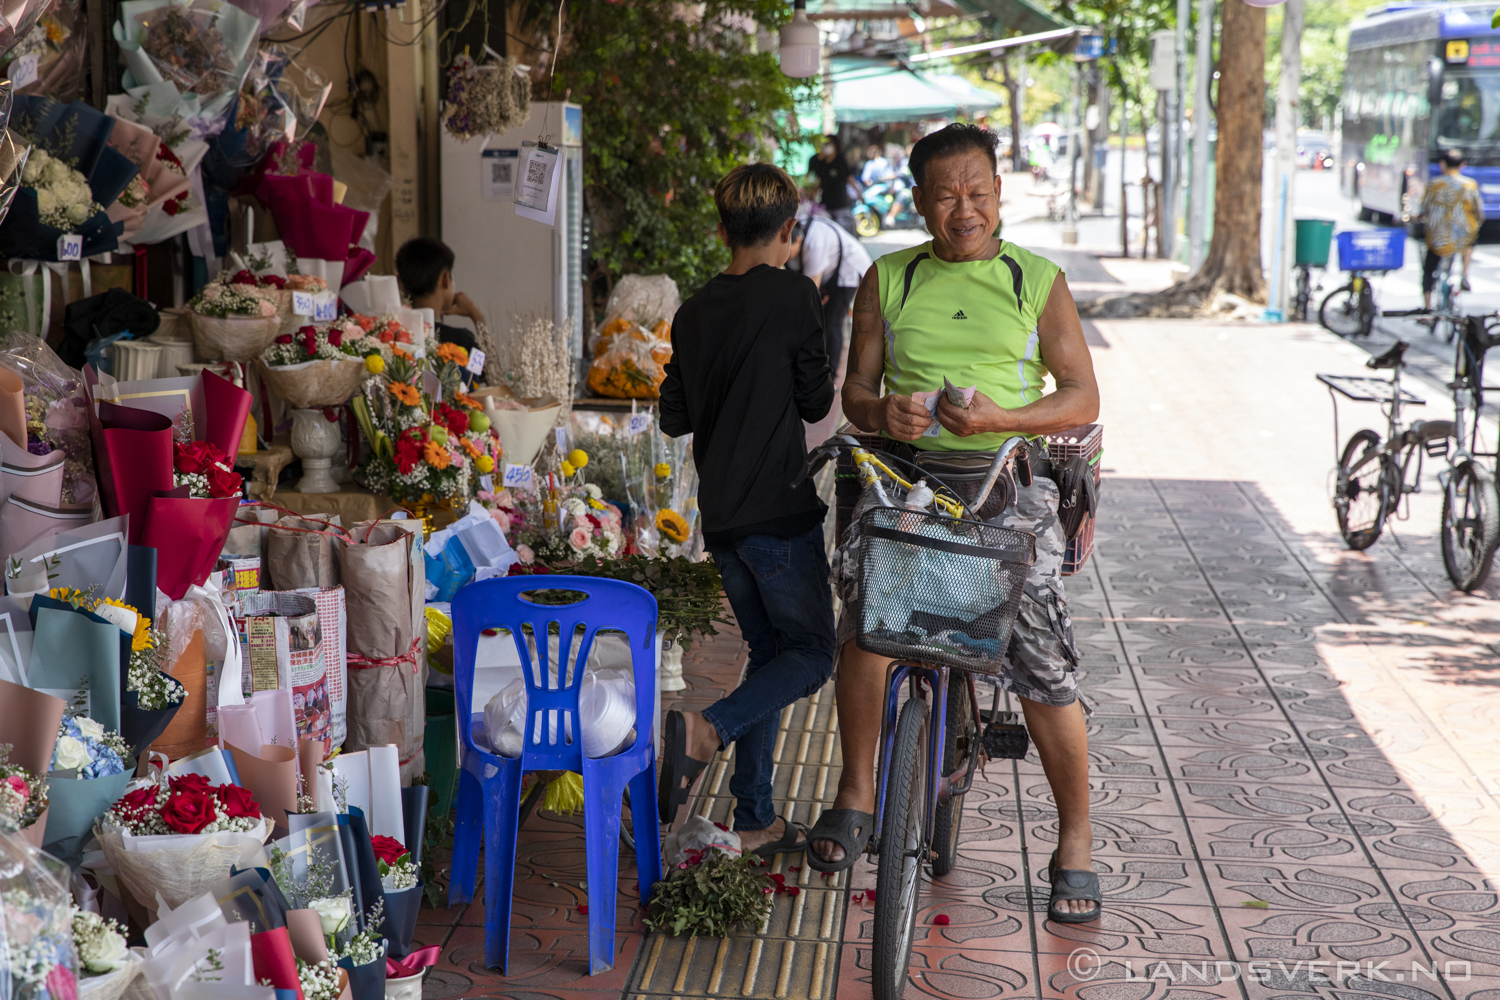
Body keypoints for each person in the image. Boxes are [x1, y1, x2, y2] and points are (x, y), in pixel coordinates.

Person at [805, 124, 1103, 924]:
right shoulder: (887, 280)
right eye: (945, 195)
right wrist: (885, 412)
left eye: (977, 192)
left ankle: (1074, 840)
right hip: (908, 476)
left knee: (1039, 661)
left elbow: (1081, 396)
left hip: (1006, 480)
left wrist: (1004, 416)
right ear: (919, 203)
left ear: (1000, 193)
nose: (963, 209)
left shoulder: (1036, 280)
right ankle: (856, 789)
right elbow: (855, 392)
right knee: (868, 625)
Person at [657, 163, 837, 856]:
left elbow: (675, 416)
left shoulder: (694, 311)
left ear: (720, 229)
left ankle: (756, 815)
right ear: (789, 232)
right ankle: (706, 730)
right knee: (814, 653)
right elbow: (817, 402)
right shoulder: (795, 297)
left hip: (724, 521)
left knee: (770, 653)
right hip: (779, 513)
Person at [394, 236, 491, 387]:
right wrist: (476, 314)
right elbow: (491, 377)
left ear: (400, 283)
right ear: (445, 278)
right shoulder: (461, 341)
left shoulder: (393, 334)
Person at [789, 214, 873, 369]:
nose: (787, 256)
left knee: (831, 321)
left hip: (849, 271)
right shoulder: (794, 232)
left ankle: (832, 374)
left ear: (798, 241)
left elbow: (810, 294)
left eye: (789, 250)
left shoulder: (815, 243)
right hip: (830, 269)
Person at [1421, 148, 1483, 306]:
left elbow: (1425, 208)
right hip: (1463, 238)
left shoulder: (1434, 185)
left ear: (1443, 164)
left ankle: (1427, 307)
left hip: (1438, 239)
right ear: (1462, 165)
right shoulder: (1470, 185)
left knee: (1428, 270)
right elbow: (1478, 213)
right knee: (1470, 240)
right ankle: (1464, 274)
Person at [807, 136, 863, 235]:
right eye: (825, 144)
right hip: (825, 206)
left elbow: (849, 178)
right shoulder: (821, 163)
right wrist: (810, 194)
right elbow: (820, 182)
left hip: (840, 205)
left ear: (835, 146)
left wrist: (859, 194)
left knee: (842, 234)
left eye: (829, 144)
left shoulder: (840, 161)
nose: (826, 147)